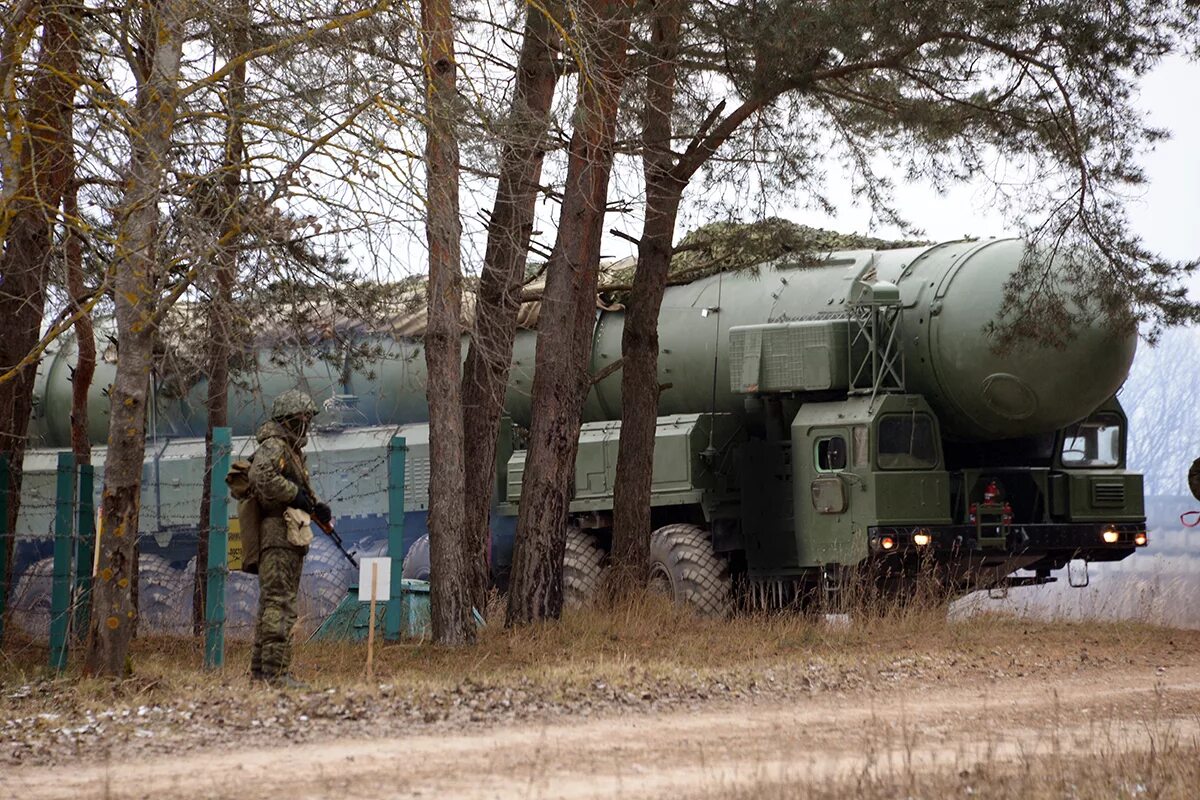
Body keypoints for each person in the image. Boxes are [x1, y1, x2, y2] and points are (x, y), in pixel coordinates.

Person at [248, 389, 332, 688]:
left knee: (273, 604)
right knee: (280, 605)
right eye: (303, 419)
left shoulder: (290, 450)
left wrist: (314, 503)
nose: (307, 425)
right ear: (290, 420)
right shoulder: (275, 446)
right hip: (278, 535)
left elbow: (295, 489)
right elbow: (262, 477)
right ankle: (275, 674)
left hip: (287, 535)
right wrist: (295, 495)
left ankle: (262, 674)